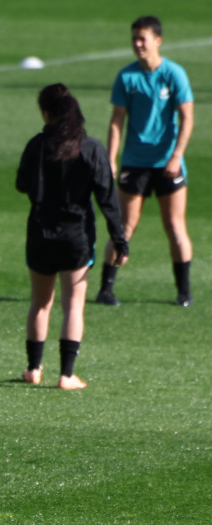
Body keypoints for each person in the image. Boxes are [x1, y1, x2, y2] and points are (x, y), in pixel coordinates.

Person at [17, 83, 129, 389]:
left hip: (40, 232)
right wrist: (119, 238)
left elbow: (22, 184)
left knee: (40, 304)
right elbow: (107, 199)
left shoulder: (37, 145)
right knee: (73, 305)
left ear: (46, 112)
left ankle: (33, 369)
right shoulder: (92, 149)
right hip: (77, 235)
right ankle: (66, 375)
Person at [98, 16, 195, 307]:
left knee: (175, 227)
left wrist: (176, 156)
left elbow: (188, 117)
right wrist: (112, 159)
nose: (138, 44)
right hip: (135, 162)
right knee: (124, 226)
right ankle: (106, 289)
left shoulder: (174, 74)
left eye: (143, 39)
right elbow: (117, 122)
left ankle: (184, 292)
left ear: (158, 41)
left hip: (168, 163)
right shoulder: (127, 77)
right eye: (134, 39)